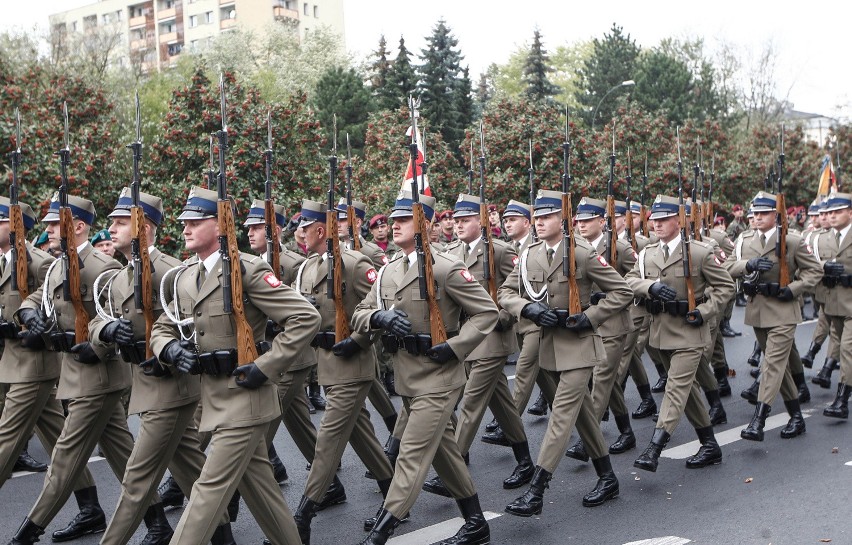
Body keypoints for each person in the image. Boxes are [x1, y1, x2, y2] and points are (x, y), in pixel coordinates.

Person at [149, 186, 321, 545]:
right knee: (264, 494)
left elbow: (305, 317)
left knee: (206, 492)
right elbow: (164, 326)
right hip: (210, 397)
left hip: (245, 397)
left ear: (220, 224)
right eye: (184, 222)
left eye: (195, 222)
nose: (185, 228)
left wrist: (266, 366)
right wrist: (167, 349)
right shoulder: (185, 276)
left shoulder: (248, 269)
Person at [353, 190, 497, 545]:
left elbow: (487, 312)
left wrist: (455, 347)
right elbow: (359, 314)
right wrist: (379, 316)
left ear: (424, 224)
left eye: (403, 219)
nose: (394, 225)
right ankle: (476, 523)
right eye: (393, 219)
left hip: (439, 374)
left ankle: (379, 533)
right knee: (444, 452)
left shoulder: (446, 267)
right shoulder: (387, 270)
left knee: (411, 456)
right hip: (406, 376)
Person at [93, 188, 234, 545]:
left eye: (122, 223)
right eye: (112, 222)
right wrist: (106, 330)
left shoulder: (172, 272)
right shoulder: (118, 276)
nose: (112, 228)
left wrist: (169, 352)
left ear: (145, 227)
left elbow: (194, 327)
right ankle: (221, 533)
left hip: (169, 387)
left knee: (137, 479)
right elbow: (98, 319)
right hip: (142, 383)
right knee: (188, 465)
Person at [10, 194, 138, 545]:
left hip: (97, 375)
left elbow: (116, 320)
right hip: (74, 373)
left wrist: (96, 344)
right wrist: (29, 314)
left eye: (55, 223)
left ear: (77, 226)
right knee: (128, 460)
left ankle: (28, 531)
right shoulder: (55, 266)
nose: (48, 229)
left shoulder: (102, 266)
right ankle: (158, 521)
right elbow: (33, 301)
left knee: (63, 460)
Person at [499, 189, 631, 516]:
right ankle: (608, 477)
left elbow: (622, 291)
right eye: (537, 217)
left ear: (563, 219)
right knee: (584, 414)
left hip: (580, 345)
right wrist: (528, 309)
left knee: (561, 414)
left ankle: (537, 489)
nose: (540, 223)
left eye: (546, 217)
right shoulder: (530, 254)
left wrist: (590, 316)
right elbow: (505, 293)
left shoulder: (582, 253)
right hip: (549, 345)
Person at [291, 199, 394, 545]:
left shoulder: (353, 262)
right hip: (326, 364)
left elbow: (380, 306)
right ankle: (394, 496)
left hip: (353, 364)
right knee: (362, 436)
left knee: (328, 441)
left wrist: (361, 340)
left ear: (321, 230)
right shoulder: (307, 267)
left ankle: (302, 515)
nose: (298, 232)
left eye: (304, 227)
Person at [422, 193, 533, 497]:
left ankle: (453, 470)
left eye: (465, 220)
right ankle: (525, 461)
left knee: (470, 402)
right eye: (455, 220)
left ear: (481, 221)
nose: (457, 225)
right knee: (502, 403)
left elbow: (518, 286)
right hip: (468, 337)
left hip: (494, 338)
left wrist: (506, 318)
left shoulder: (499, 250)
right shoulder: (452, 251)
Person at [626, 195, 734, 473]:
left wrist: (706, 311)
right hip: (659, 332)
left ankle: (655, 447)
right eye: (654, 220)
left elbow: (725, 288)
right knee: (688, 392)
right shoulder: (648, 252)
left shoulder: (699, 252)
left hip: (689, 332)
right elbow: (628, 279)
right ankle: (710, 445)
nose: (657, 225)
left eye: (663, 220)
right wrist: (648, 287)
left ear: (680, 220)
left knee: (675, 389)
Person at [0, 197, 95, 494]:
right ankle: (90, 505)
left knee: (5, 438)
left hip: (34, 364)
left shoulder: (40, 263)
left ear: (15, 226)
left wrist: (31, 332)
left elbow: (58, 312)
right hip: (9, 361)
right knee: (58, 438)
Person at [727, 191, 822, 442]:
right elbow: (726, 267)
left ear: (775, 215)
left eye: (763, 213)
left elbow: (814, 272)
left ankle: (758, 420)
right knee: (778, 368)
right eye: (755, 213)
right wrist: (748, 266)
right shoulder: (745, 240)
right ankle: (797, 418)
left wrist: (792, 289)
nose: (757, 218)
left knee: (771, 364)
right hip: (757, 309)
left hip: (783, 310)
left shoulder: (792, 240)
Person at [810, 193, 852, 419]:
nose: (832, 216)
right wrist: (825, 265)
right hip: (833, 304)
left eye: (838, 211)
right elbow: (808, 261)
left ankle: (842, 400)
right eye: (830, 212)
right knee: (842, 347)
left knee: (848, 350)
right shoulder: (823, 238)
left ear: (850, 212)